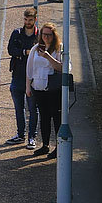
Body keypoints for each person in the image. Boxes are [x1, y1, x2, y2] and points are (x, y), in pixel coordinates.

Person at [26, 21, 62, 158]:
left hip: (52, 89)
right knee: (44, 117)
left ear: (54, 36)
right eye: (44, 34)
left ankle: (59, 147)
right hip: (38, 88)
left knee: (56, 118)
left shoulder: (58, 49)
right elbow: (29, 69)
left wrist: (47, 56)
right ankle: (45, 145)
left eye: (49, 35)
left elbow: (62, 67)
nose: (46, 37)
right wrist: (28, 87)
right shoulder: (36, 49)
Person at [6, 7, 38, 145]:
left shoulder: (39, 36)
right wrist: (24, 52)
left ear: (35, 20)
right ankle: (20, 134)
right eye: (25, 19)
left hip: (33, 78)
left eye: (30, 20)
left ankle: (32, 137)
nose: (27, 22)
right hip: (18, 76)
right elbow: (10, 50)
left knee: (32, 109)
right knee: (19, 108)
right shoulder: (17, 33)